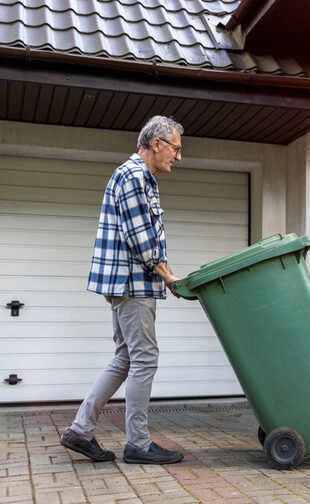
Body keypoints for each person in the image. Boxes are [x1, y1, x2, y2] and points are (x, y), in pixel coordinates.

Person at [60, 116, 184, 465]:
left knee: (126, 358)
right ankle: (139, 444)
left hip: (130, 282)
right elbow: (142, 243)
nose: (178, 156)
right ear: (156, 143)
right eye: (175, 148)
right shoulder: (133, 177)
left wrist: (166, 275)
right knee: (145, 358)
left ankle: (80, 430)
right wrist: (169, 277)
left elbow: (145, 239)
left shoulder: (141, 178)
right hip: (132, 284)